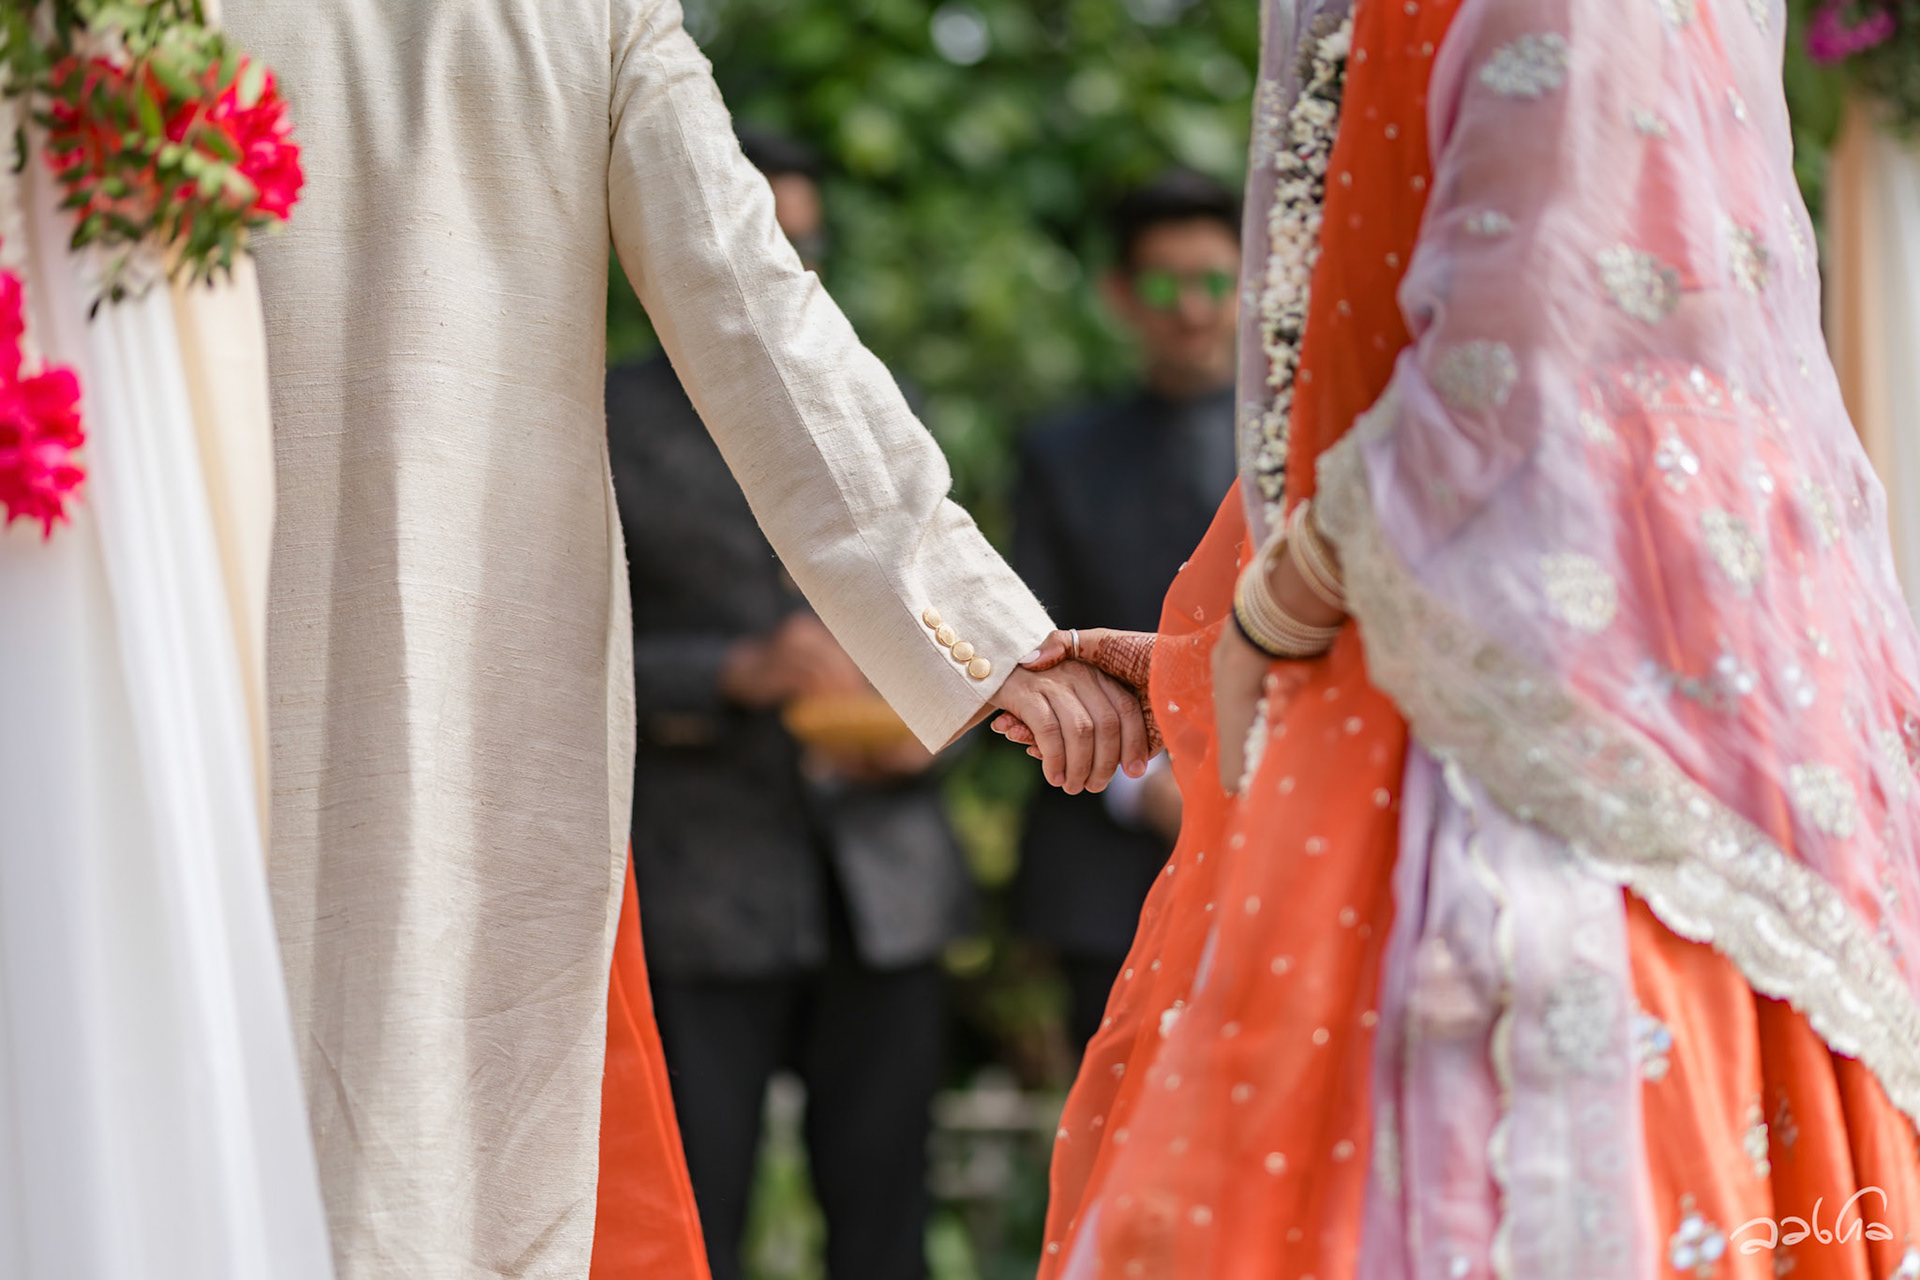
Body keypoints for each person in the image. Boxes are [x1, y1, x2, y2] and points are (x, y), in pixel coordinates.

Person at [216, 2, 1150, 1276]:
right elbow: (756, 310)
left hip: (179, 648)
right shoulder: (581, 22)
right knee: (438, 1148)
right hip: (519, 749)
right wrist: (982, 634)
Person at [997, 0, 1920, 1276]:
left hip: (1549, 771)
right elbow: (1366, 399)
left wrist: (1267, 620)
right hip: (1461, 701)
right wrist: (1198, 658)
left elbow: (1505, 365)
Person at [604, 130, 973, 1280]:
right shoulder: (599, 416)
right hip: (700, 882)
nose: (782, 270)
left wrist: (934, 726)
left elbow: (967, 614)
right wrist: (733, 669)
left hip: (886, 885)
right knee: (687, 1223)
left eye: (801, 247)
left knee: (888, 1231)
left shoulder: (881, 399)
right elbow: (552, 652)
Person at [1011, 170, 1241, 1053]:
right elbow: (1032, 643)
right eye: (1165, 286)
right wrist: (1145, 782)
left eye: (1214, 281)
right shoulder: (1061, 456)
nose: (1193, 309)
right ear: (1121, 295)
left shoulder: (1308, 444)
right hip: (1104, 865)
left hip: (1284, 835)